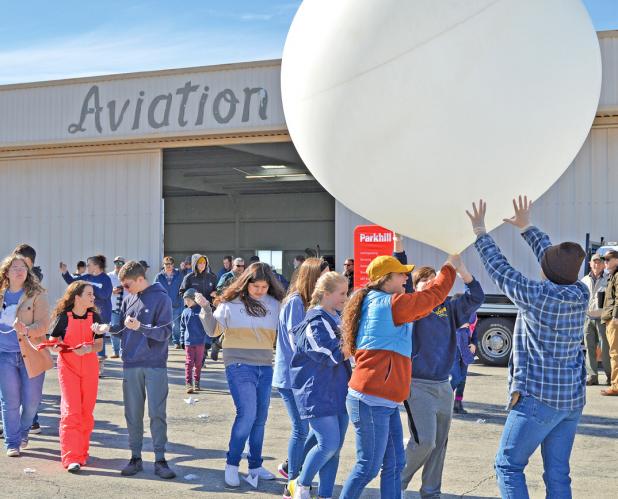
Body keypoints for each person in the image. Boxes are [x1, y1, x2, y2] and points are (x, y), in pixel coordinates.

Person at [467, 196, 588, 498]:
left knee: (507, 465)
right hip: (571, 400)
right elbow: (554, 263)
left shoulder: (537, 295)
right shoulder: (581, 293)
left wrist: (481, 231)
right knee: (558, 474)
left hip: (537, 398)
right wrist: (527, 228)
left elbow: (500, 270)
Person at [339, 254, 457, 498]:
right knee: (368, 466)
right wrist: (449, 267)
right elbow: (432, 297)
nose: (406, 277)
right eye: (401, 273)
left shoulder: (379, 300)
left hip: (383, 400)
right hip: (372, 400)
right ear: (385, 279)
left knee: (393, 465)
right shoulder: (390, 304)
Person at [397, 256, 484, 496]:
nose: (429, 281)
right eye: (423, 279)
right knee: (424, 441)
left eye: (433, 277)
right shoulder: (412, 304)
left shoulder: (449, 306)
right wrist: (398, 244)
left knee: (440, 444)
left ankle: (431, 491)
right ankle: (396, 483)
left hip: (443, 385)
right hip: (417, 384)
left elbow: (476, 297)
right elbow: (401, 279)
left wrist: (462, 268)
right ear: (415, 286)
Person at [199, 262, 284, 488]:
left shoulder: (276, 305)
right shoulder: (230, 304)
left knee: (260, 418)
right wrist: (205, 309)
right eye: (255, 286)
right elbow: (212, 330)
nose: (259, 291)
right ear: (246, 284)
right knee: (247, 414)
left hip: (265, 365)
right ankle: (232, 464)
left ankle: (255, 465)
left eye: (264, 287)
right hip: (237, 364)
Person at [101, 261, 176, 479]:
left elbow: (165, 334)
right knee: (133, 414)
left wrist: (140, 327)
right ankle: (135, 457)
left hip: (155, 365)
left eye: (127, 284)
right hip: (131, 364)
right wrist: (108, 329)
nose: (124, 288)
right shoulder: (129, 298)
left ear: (140, 279)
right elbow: (124, 330)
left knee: (156, 414)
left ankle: (160, 460)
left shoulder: (162, 298)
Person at [288, 272, 351, 499]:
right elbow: (329, 355)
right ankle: (300, 484)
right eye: (342, 293)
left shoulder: (337, 316)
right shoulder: (313, 322)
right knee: (328, 444)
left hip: (339, 391)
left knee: (334, 450)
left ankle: (325, 495)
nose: (346, 297)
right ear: (325, 294)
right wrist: (356, 342)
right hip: (316, 393)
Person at [272, 257, 326, 493]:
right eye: (324, 274)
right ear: (313, 277)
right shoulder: (295, 302)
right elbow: (298, 343)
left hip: (306, 377)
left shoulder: (310, 303)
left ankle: (291, 467)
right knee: (302, 429)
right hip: (292, 378)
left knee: (317, 428)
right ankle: (293, 482)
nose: (327, 278)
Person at [48, 281, 104, 472]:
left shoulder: (94, 316)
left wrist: (89, 347)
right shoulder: (64, 317)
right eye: (89, 294)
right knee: (71, 411)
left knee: (86, 412)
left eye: (93, 294)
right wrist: (55, 346)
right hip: (68, 367)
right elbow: (52, 341)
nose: (93, 297)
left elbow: (99, 345)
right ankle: (71, 457)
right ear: (77, 297)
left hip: (90, 367)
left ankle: (82, 452)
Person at [0, 254, 52, 457]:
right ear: (7, 272)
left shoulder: (36, 294)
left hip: (31, 354)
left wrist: (27, 330)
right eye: (14, 267)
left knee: (31, 402)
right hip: (4, 355)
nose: (19, 270)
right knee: (9, 401)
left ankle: (23, 433)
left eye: (23, 267)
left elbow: (44, 325)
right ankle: (12, 442)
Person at [60, 255, 113, 376]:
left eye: (89, 265)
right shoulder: (87, 277)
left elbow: (104, 295)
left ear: (96, 266)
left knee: (98, 338)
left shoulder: (105, 279)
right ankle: (87, 363)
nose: (87, 267)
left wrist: (90, 287)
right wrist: (65, 272)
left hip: (101, 314)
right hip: (87, 313)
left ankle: (100, 365)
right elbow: (72, 283)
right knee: (87, 337)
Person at [11, 244, 45, 434]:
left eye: (21, 264)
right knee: (10, 390)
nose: (16, 268)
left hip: (29, 342)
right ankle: (10, 426)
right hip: (9, 343)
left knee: (30, 388)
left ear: (30, 263)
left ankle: (32, 420)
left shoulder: (35, 279)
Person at [582, 253, 611, 386]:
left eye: (599, 262)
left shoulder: (609, 279)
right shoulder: (584, 280)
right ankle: (592, 376)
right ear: (590, 263)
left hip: (603, 319)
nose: (596, 264)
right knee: (589, 348)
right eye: (594, 262)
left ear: (603, 264)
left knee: (605, 349)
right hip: (588, 318)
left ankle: (610, 376)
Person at [180, 288, 211, 394]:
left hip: (200, 342)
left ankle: (197, 382)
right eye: (185, 300)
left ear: (194, 300)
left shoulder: (201, 311)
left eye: (188, 300)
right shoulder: (185, 312)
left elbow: (207, 327)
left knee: (198, 363)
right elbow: (182, 327)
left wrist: (207, 341)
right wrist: (182, 340)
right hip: (189, 342)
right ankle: (188, 383)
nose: (186, 302)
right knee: (189, 363)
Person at [450, 315, 479, 414]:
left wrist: (474, 344)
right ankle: (445, 400)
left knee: (462, 379)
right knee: (456, 377)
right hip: (453, 349)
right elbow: (443, 328)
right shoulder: (454, 310)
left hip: (467, 350)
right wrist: (458, 326)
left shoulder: (473, 316)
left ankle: (458, 403)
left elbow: (474, 333)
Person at [154, 256, 184, 349]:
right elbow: (154, 289)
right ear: (163, 265)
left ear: (173, 264)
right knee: (164, 325)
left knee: (176, 325)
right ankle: (164, 341)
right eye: (166, 264)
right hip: (164, 305)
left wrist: (181, 299)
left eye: (170, 264)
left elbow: (183, 287)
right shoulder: (159, 276)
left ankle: (176, 342)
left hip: (176, 304)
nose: (168, 266)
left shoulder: (179, 275)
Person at [601, 249, 618, 396]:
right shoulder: (612, 276)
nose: (605, 262)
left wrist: (615, 317)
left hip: (614, 320)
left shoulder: (617, 275)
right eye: (604, 259)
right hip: (611, 319)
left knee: (614, 354)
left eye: (608, 259)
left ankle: (616, 386)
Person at [108, 256, 126, 359]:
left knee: (126, 330)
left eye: (120, 263)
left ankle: (123, 351)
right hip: (114, 307)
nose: (118, 265)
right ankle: (116, 351)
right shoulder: (109, 276)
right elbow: (104, 291)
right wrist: (112, 291)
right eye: (116, 263)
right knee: (114, 329)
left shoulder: (128, 276)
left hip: (126, 308)